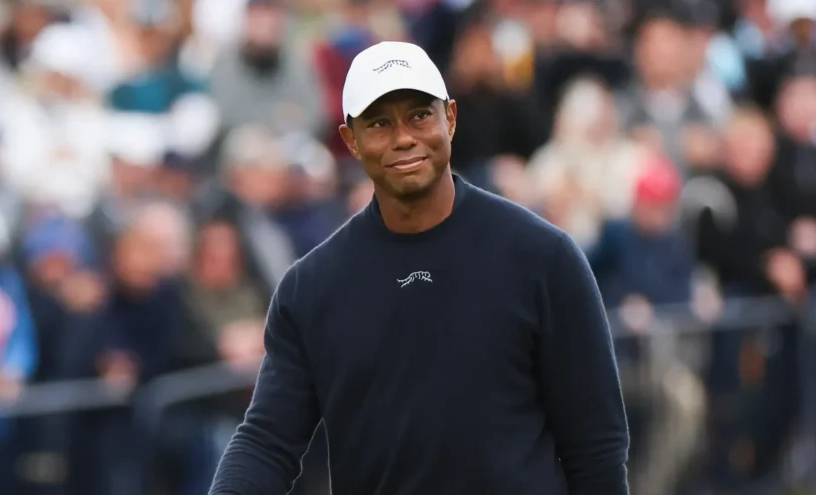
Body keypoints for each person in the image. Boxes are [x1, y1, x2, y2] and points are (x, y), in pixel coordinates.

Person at [209, 41, 630, 495]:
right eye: (380, 123)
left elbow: (596, 444)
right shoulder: (310, 289)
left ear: (450, 118)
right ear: (350, 140)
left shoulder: (545, 258)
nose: (404, 137)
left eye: (419, 115)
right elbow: (267, 441)